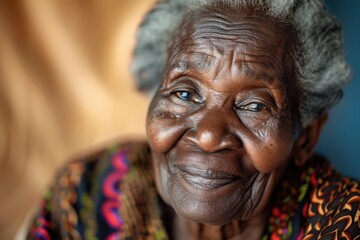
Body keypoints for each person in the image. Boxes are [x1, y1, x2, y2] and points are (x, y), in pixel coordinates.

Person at [26, 0, 360, 239]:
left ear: (305, 138)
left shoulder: (344, 221)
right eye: (185, 94)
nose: (209, 136)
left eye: (255, 106)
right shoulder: (88, 190)